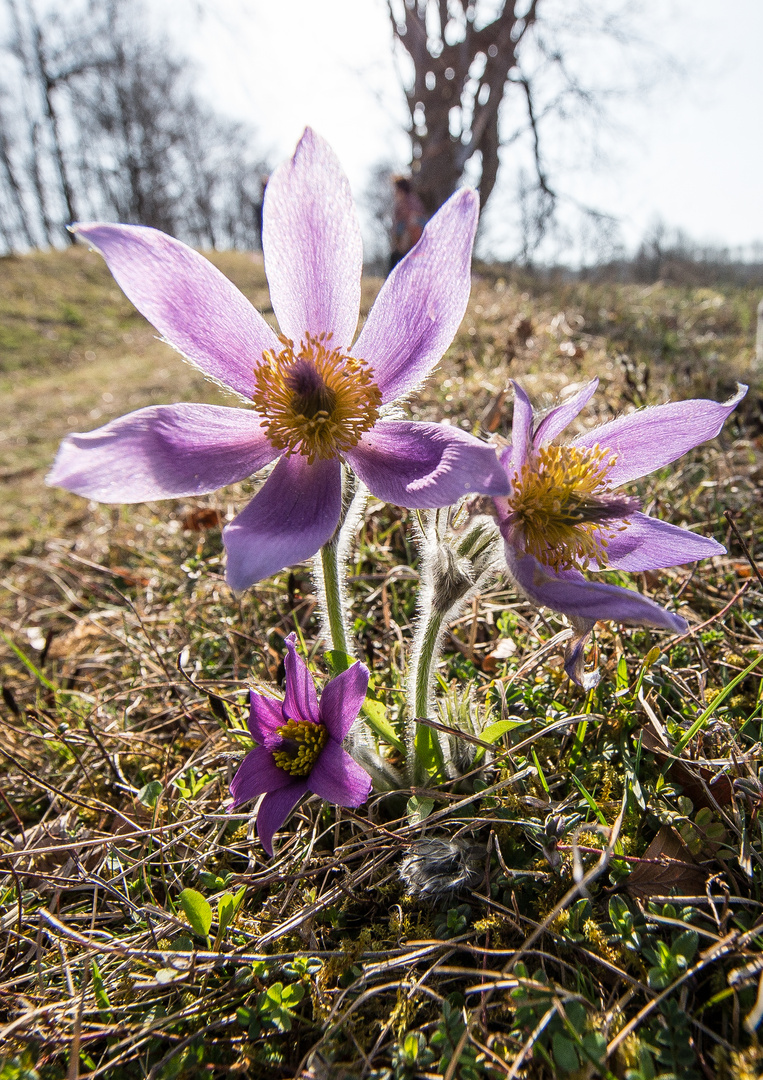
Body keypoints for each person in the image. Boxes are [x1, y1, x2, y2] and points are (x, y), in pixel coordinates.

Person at [389, 176, 428, 274]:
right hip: (404, 239)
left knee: (399, 259)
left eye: (396, 189)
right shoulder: (404, 202)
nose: (395, 192)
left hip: (410, 238)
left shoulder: (410, 202)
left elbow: (416, 219)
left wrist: (406, 235)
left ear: (401, 189)